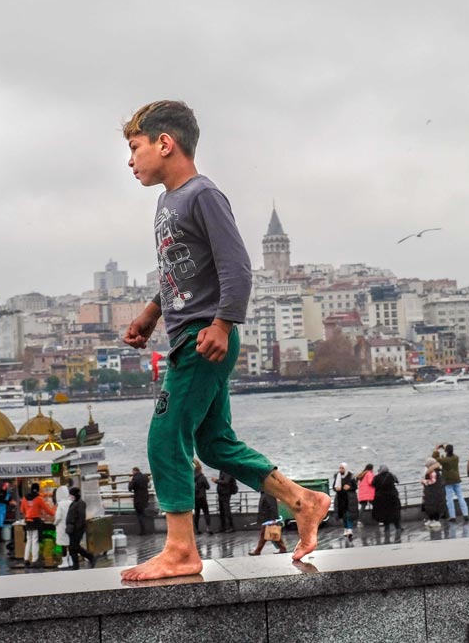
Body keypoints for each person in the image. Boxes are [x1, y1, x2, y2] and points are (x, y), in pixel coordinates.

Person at [120, 100, 330, 580]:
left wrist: (222, 323)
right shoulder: (167, 202)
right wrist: (152, 312)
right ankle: (304, 500)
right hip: (186, 333)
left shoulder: (202, 195)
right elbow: (183, 270)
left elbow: (235, 265)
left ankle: (181, 550)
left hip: (202, 337)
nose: (130, 162)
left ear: (164, 143)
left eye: (135, 149)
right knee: (214, 443)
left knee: (165, 437)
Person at [20, 483, 55, 568]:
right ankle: (34, 560)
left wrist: (28, 512)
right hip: (36, 522)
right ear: (38, 489)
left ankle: (26, 559)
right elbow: (47, 510)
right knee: (35, 540)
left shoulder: (25, 498)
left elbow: (22, 510)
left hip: (28, 521)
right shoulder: (39, 499)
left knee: (29, 540)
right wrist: (54, 513)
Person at [434, 444, 469, 522]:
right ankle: (465, 514)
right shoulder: (456, 458)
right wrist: (445, 448)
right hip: (456, 479)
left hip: (448, 481)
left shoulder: (445, 460)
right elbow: (449, 454)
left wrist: (436, 450)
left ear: (446, 451)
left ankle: (452, 516)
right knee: (460, 497)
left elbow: (436, 459)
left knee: (449, 499)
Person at [248, 490, 287, 555]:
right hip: (266, 518)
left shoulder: (268, 494)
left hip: (268, 519)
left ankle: (258, 551)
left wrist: (273, 520)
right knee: (268, 534)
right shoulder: (265, 493)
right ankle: (282, 549)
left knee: (269, 534)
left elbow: (273, 507)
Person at [65, 487, 95, 570]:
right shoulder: (74, 503)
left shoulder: (80, 503)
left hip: (76, 529)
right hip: (71, 528)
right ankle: (75, 564)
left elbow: (81, 518)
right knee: (72, 547)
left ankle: (90, 556)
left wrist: (77, 528)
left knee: (75, 546)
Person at [371, 465, 403, 532]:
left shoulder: (377, 477)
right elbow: (397, 481)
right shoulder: (391, 475)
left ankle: (386, 528)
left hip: (381, 498)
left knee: (384, 513)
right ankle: (398, 527)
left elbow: (372, 484)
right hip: (392, 497)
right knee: (395, 512)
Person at [332, 462, 358, 540]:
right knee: (343, 514)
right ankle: (346, 529)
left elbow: (355, 487)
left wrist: (349, 487)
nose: (340, 470)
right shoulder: (337, 476)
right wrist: (336, 488)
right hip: (340, 498)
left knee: (348, 514)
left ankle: (350, 530)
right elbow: (334, 486)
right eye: (340, 468)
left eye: (342, 468)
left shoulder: (351, 476)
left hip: (349, 498)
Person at [421, 458, 446, 529]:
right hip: (434, 492)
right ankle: (432, 520)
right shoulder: (437, 471)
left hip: (434, 493)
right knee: (431, 506)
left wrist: (424, 481)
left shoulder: (433, 472)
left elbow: (433, 481)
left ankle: (436, 521)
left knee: (434, 507)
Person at [52, 485, 73, 570]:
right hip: (70, 527)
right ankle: (71, 560)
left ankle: (65, 562)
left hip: (61, 528)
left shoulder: (60, 504)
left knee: (63, 546)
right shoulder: (71, 503)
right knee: (70, 545)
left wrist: (54, 523)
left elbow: (58, 517)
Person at [128, 467, 151, 535]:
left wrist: (130, 481)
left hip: (138, 498)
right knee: (143, 513)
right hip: (145, 498)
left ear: (134, 471)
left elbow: (130, 488)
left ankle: (143, 531)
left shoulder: (134, 478)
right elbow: (149, 486)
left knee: (139, 514)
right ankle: (147, 529)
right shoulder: (145, 477)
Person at [193, 462, 213, 535]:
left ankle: (197, 529)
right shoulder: (202, 477)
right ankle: (208, 528)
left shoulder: (191, 477)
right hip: (202, 497)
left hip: (195, 498)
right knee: (206, 512)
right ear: (200, 469)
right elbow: (208, 487)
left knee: (197, 513)